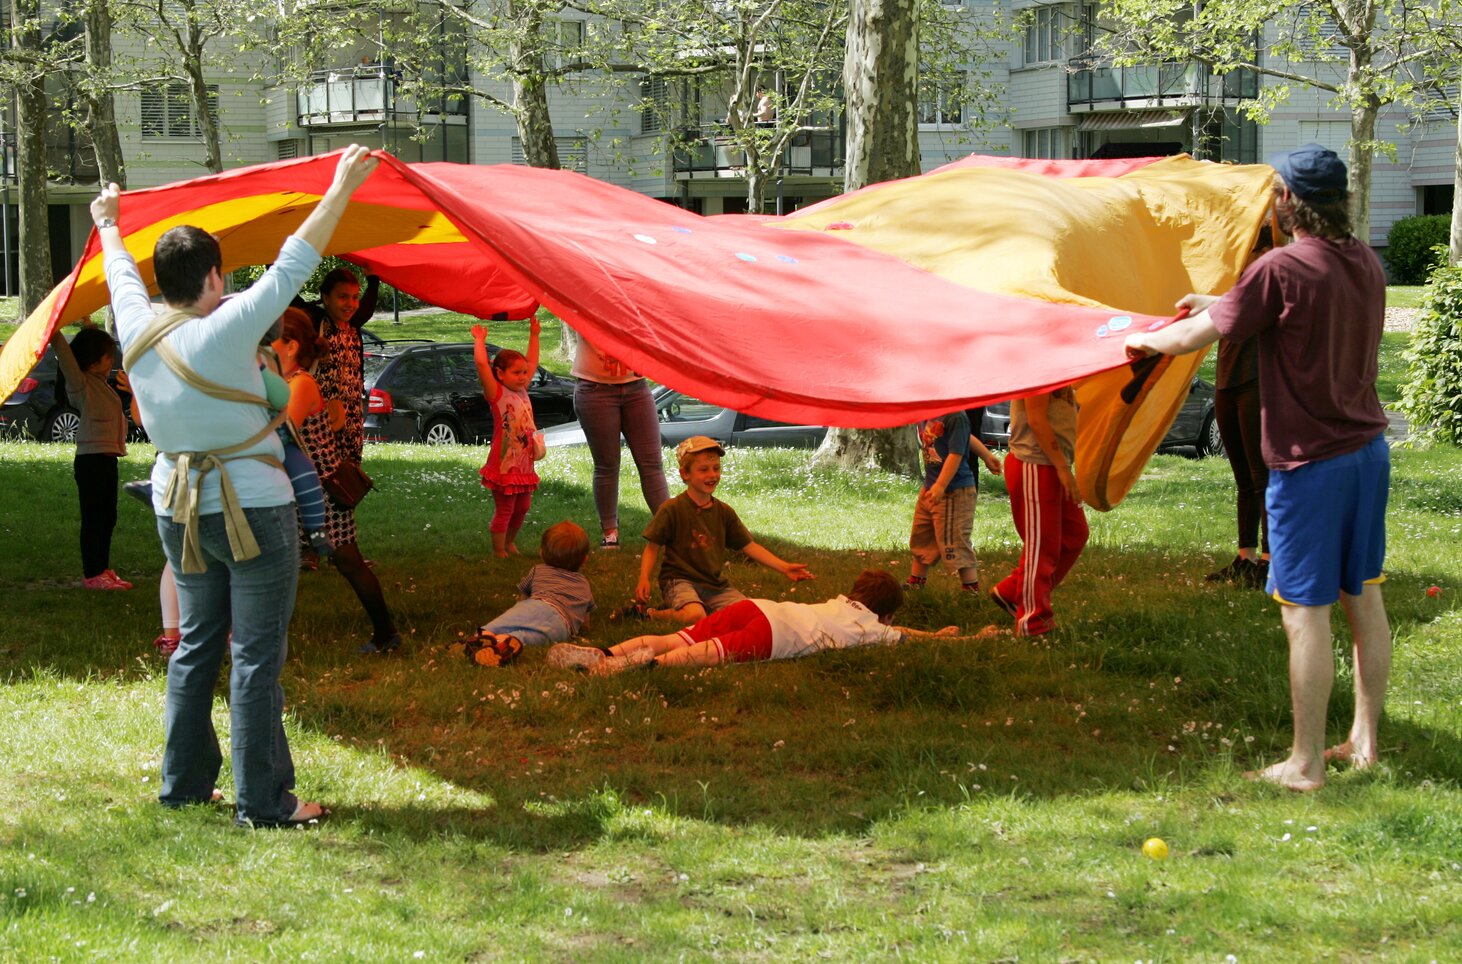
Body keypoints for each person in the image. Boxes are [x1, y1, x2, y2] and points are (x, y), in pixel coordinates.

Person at [95, 143, 378, 826]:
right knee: (254, 657)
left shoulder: (134, 324)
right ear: (215, 277)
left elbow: (118, 270)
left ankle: (185, 784)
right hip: (252, 506)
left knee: (196, 646)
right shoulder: (227, 326)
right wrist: (340, 187)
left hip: (177, 506)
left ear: (162, 281)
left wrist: (107, 221)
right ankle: (265, 802)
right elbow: (296, 260)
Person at [1123, 143, 1391, 791]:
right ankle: (1364, 743)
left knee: (1305, 611)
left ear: (1287, 201)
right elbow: (1289, 306)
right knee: (1364, 597)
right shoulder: (1364, 261)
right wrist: (1218, 299)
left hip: (1309, 467)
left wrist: (1142, 338)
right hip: (1367, 454)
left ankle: (1304, 764)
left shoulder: (1280, 267)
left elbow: (1189, 338)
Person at [548, 569, 958, 675]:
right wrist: (945, 638)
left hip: (758, 607)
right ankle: (639, 667)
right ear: (885, 615)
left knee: (677, 637)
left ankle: (604, 652)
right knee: (707, 654)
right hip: (774, 635)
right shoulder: (872, 628)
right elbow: (904, 636)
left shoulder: (838, 603)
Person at [635, 436, 814, 624]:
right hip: (679, 581)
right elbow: (652, 547)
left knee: (749, 614)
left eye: (716, 468)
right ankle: (650, 614)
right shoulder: (672, 509)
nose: (712, 475)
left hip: (714, 585)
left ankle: (691, 607)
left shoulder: (724, 512)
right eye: (703, 470)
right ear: (685, 474)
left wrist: (785, 567)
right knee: (695, 615)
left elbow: (749, 546)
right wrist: (644, 578)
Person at [988, 387, 1089, 637]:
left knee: (1074, 534)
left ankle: (1013, 591)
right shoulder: (1037, 369)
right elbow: (1036, 420)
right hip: (1034, 463)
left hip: (1053, 465)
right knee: (1042, 547)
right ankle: (1032, 623)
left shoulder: (1060, 369)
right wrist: (1062, 468)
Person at [296, 264, 377, 569]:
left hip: (350, 421)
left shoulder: (352, 326)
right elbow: (288, 296)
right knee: (312, 482)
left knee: (346, 483)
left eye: (355, 297)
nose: (351, 304)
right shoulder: (316, 322)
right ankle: (308, 548)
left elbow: (366, 307)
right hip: (319, 421)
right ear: (325, 298)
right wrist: (275, 260)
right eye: (343, 296)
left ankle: (343, 549)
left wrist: (374, 278)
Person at [1206, 227, 1274, 590]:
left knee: (1262, 477)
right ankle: (1245, 557)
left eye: (1247, 248)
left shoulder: (1270, 279)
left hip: (1256, 383)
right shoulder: (1230, 278)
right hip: (1227, 383)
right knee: (1243, 480)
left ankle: (1270, 560)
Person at [49, 325, 132, 590]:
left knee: (108, 517)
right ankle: (92, 574)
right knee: (94, 518)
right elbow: (66, 357)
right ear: (93, 360)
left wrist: (89, 324)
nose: (112, 361)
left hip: (107, 461)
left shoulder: (101, 383)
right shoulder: (80, 384)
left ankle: (103, 569)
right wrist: (54, 331)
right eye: (108, 356)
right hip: (91, 462)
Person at [570, 335, 669, 548]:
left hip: (636, 387)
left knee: (652, 464)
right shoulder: (589, 310)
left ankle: (671, 530)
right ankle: (610, 533)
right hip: (595, 388)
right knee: (607, 465)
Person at [906, 409, 1002, 592]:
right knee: (922, 535)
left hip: (954, 492)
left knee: (955, 540)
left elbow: (956, 453)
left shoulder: (955, 416)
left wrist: (941, 485)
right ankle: (916, 581)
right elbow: (966, 438)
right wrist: (986, 455)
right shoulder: (927, 410)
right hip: (931, 488)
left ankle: (970, 589)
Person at [472, 320, 542, 558]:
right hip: (504, 464)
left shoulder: (522, 389)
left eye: (524, 373)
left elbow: (532, 362)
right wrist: (479, 340)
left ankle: (510, 542)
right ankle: (499, 550)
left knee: (522, 507)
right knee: (506, 509)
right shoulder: (497, 393)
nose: (523, 377)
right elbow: (482, 364)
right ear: (500, 373)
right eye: (516, 373)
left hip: (523, 463)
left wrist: (534, 335)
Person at [475, 520, 595, 649]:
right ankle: (506, 641)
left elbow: (523, 598)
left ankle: (483, 635)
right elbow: (585, 621)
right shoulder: (584, 584)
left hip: (536, 606)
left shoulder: (538, 571)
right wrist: (584, 629)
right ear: (584, 560)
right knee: (529, 638)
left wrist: (520, 610)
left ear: (541, 553)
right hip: (562, 625)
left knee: (504, 623)